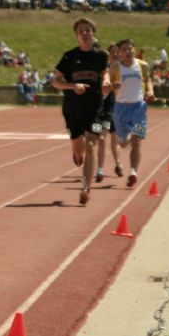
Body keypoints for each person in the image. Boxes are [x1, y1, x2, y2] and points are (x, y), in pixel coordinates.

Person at [51, 18, 111, 205]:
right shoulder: (69, 57)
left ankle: (86, 186)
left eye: (88, 30)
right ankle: (76, 153)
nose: (85, 33)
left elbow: (105, 73)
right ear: (77, 36)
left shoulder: (102, 56)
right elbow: (56, 81)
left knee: (92, 144)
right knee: (79, 147)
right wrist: (72, 86)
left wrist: (107, 81)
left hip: (95, 109)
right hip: (73, 109)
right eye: (81, 31)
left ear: (94, 34)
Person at [110, 39, 155, 188]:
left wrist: (150, 91)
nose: (127, 52)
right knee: (123, 144)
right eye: (124, 49)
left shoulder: (142, 65)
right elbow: (106, 84)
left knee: (137, 141)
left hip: (139, 107)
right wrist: (112, 85)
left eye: (130, 49)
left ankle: (133, 172)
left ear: (134, 50)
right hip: (121, 108)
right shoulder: (115, 67)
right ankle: (125, 137)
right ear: (120, 52)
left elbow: (148, 80)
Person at [95, 43, 123, 183]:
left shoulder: (119, 67)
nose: (116, 54)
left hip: (114, 107)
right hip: (102, 107)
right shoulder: (106, 68)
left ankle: (117, 164)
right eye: (113, 52)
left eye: (118, 52)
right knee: (100, 137)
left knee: (113, 137)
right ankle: (101, 168)